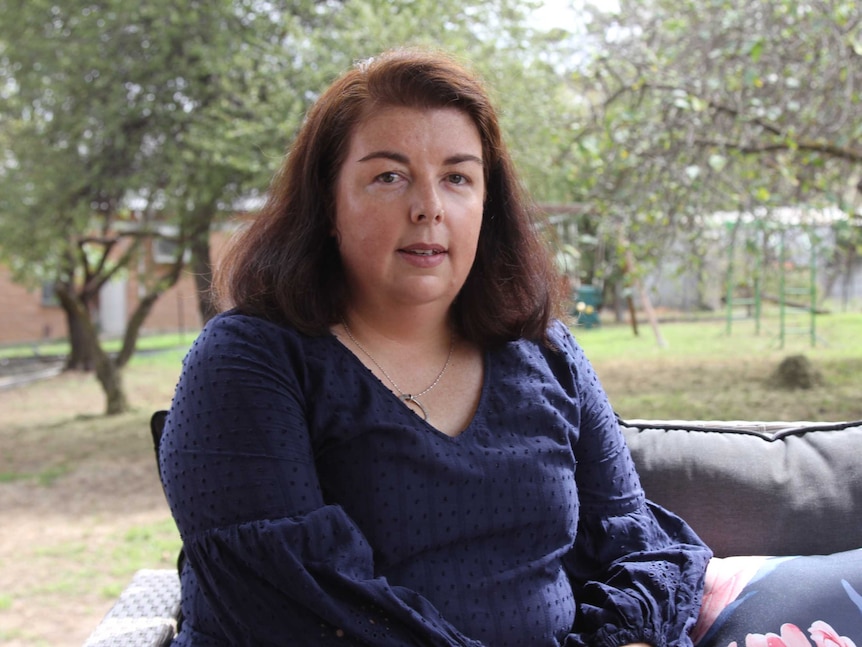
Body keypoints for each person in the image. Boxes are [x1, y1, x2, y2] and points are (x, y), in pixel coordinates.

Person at [159, 47, 712, 646]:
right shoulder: (249, 361)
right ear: (327, 205)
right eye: (389, 176)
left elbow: (635, 541)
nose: (429, 208)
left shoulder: (547, 351)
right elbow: (299, 609)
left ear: (486, 204)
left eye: (457, 178)